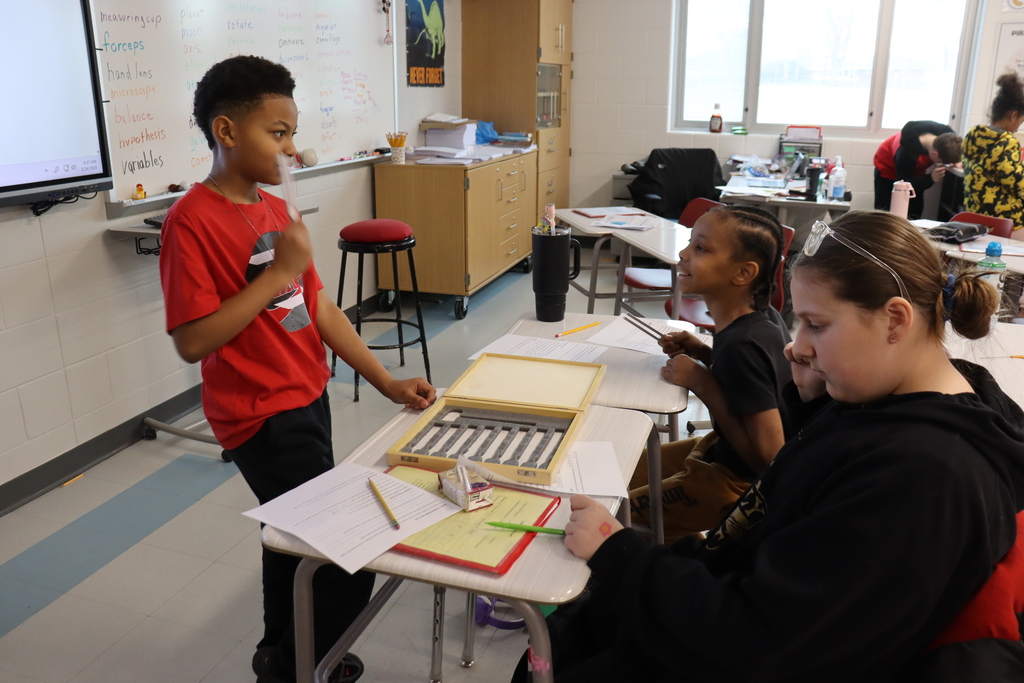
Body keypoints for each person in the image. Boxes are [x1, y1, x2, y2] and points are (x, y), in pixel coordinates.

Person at [513, 211, 1024, 682]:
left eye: (816, 325)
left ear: (894, 320)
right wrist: (806, 394)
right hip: (718, 603)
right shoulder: (897, 397)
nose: (793, 345)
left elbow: (760, 642)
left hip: (723, 647)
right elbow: (780, 517)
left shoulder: (923, 480)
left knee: (555, 653)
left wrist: (620, 556)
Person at [159, 55, 435, 683]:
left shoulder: (276, 209)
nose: (291, 148)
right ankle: (304, 663)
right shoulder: (190, 222)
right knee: (342, 550)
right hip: (259, 415)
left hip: (306, 396)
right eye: (276, 133)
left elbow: (319, 307)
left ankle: (283, 651)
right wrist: (278, 274)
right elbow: (193, 340)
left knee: (291, 536)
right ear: (226, 132)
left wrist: (384, 380)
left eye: (291, 133)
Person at [628, 205, 793, 543]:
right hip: (718, 451)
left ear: (743, 273)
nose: (683, 254)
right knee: (623, 465)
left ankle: (691, 561)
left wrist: (702, 383)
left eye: (700, 248)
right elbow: (749, 382)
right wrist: (704, 352)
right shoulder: (760, 319)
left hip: (736, 482)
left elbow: (771, 460)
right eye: (691, 243)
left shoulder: (742, 345)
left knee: (613, 509)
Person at [963, 73, 1024, 230]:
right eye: (1021, 121)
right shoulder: (1007, 141)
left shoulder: (973, 134)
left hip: (974, 214)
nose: (1018, 127)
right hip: (1003, 220)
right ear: (1014, 115)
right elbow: (1017, 183)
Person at [873, 120, 962, 219]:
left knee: (914, 212)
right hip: (889, 171)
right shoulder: (906, 153)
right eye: (943, 161)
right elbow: (904, 184)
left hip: (915, 172)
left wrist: (957, 160)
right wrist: (930, 179)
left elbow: (955, 144)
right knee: (887, 215)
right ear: (935, 154)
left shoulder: (945, 133)